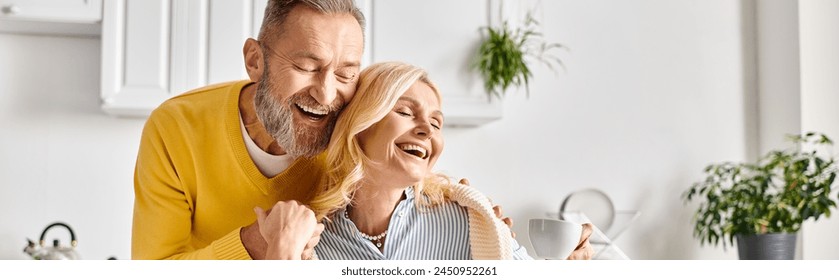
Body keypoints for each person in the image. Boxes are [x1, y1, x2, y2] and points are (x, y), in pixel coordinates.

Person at [131, 0, 534, 260]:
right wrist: (256, 242)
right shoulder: (176, 127)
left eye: (345, 73)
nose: (326, 93)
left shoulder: (351, 129)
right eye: (307, 66)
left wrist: (483, 225)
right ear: (255, 60)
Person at [289, 61, 589, 259]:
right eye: (406, 112)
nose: (426, 130)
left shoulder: (470, 221)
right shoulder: (312, 242)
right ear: (360, 126)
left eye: (436, 123)